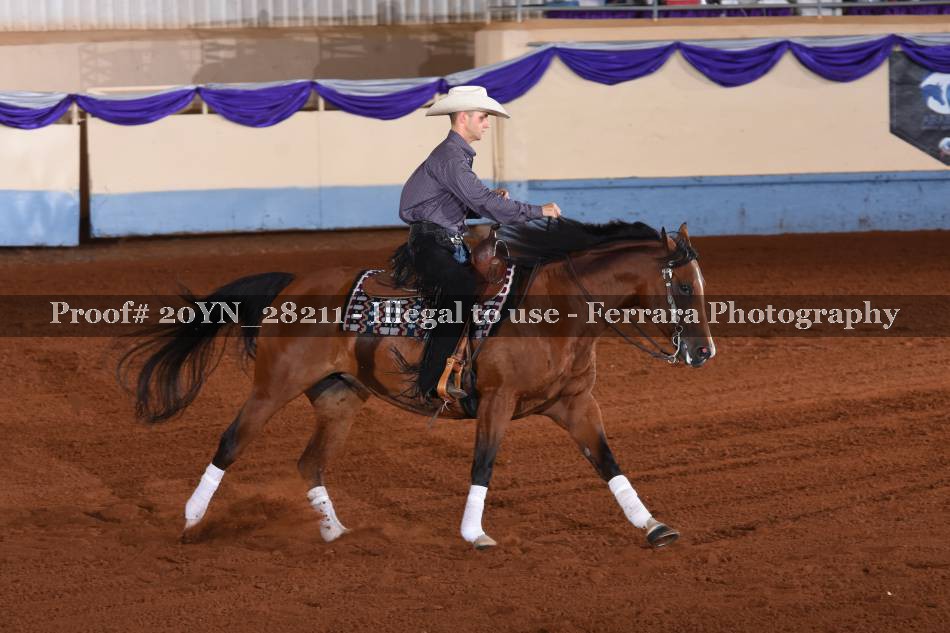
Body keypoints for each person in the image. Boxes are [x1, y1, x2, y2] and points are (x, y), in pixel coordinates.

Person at [395, 85, 562, 401]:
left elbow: (453, 204)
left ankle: (473, 365)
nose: (487, 124)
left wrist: (486, 202)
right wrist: (537, 211)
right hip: (431, 244)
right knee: (460, 286)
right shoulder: (451, 158)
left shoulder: (453, 156)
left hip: (440, 241)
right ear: (463, 118)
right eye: (483, 117)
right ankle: (432, 380)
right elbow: (483, 203)